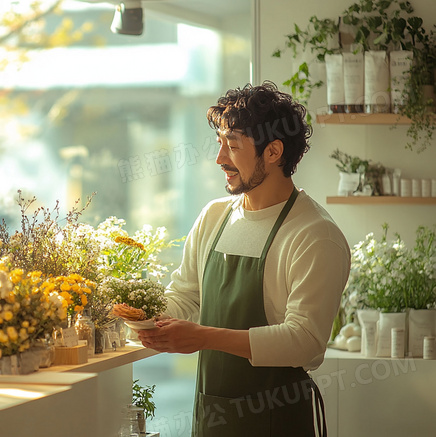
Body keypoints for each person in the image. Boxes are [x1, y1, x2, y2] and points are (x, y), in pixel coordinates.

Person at [136, 82, 350, 437]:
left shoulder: (314, 235)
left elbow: (305, 340)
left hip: (276, 421)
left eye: (232, 146)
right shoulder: (214, 216)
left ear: (273, 151)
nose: (220, 158)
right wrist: (144, 317)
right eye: (220, 143)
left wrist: (204, 337)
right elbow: (185, 297)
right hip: (212, 416)